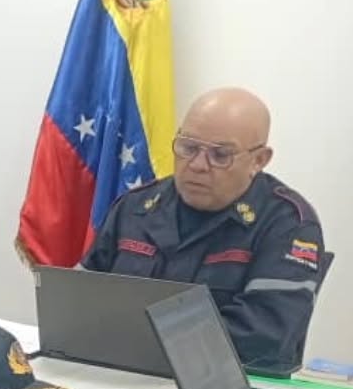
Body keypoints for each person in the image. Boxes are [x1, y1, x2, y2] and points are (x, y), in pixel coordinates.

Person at [82, 87, 326, 371]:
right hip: (121, 375)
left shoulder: (288, 224)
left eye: (221, 155)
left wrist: (135, 339)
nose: (197, 165)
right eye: (188, 147)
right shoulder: (135, 207)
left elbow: (263, 337)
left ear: (259, 160)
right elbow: (79, 298)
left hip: (225, 388)